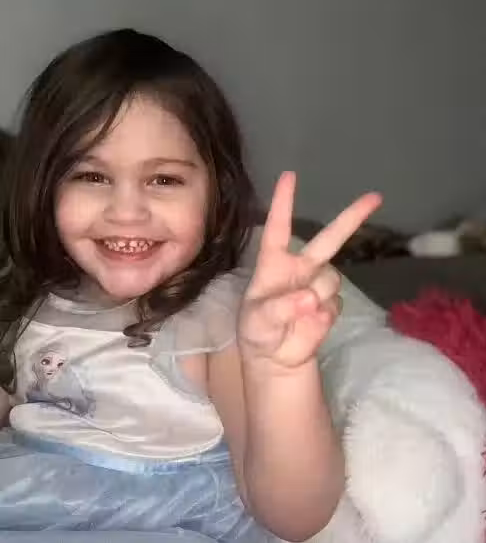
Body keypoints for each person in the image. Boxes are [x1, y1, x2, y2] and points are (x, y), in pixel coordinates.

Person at [0, 29, 381, 542]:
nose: (127, 211)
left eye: (164, 180)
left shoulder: (212, 318)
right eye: (91, 176)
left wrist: (281, 369)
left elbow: (295, 515)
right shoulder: (40, 299)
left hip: (164, 522)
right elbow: (25, 412)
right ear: (43, 187)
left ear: (214, 194)